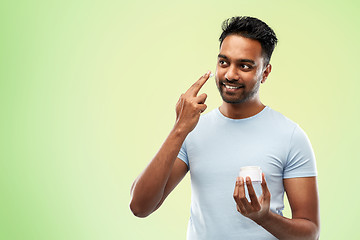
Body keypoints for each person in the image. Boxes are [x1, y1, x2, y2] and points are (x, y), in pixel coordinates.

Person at [130, 16, 320, 240]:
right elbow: (140, 207)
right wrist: (179, 128)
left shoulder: (290, 136)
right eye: (223, 62)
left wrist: (263, 217)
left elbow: (310, 234)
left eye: (244, 66)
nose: (230, 74)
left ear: (265, 73)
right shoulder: (192, 130)